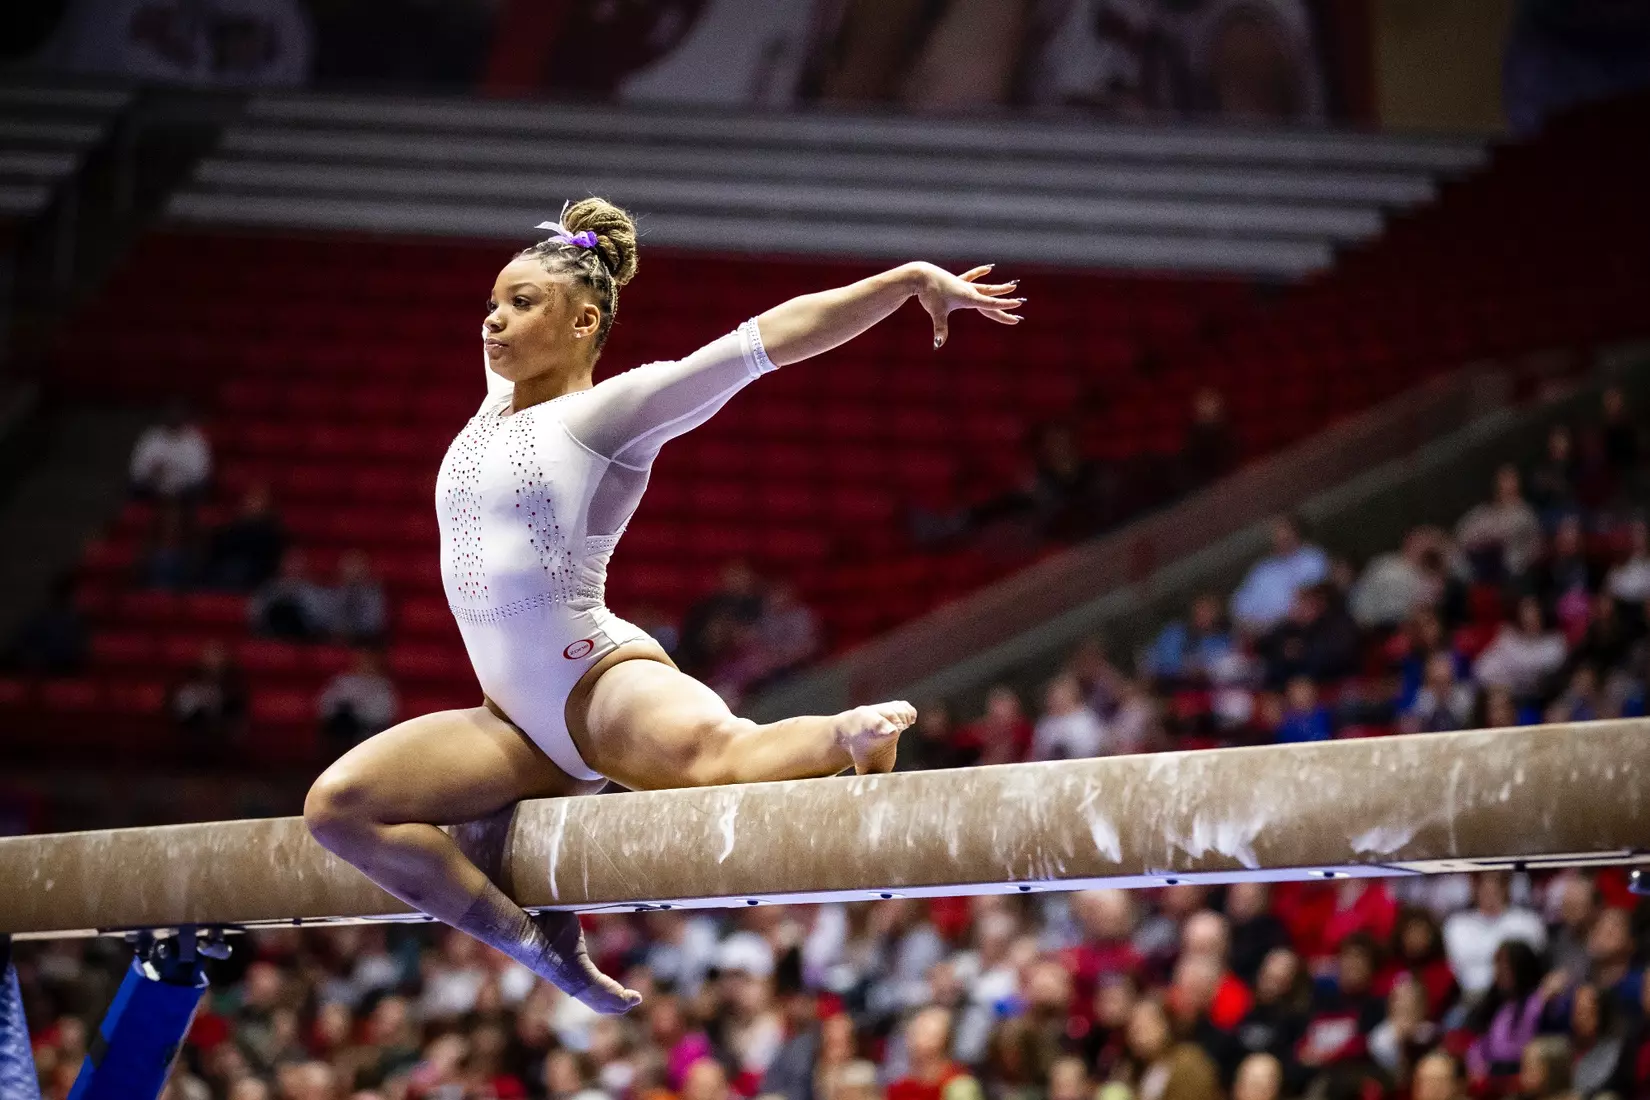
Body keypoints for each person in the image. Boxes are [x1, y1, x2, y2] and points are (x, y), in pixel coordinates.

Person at [301, 198, 1023, 1014]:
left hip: (593, 683)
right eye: (492, 304)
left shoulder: (612, 413)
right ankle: (536, 944)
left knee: (721, 762)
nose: (493, 322)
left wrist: (903, 282)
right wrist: (566, 243)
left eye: (522, 304)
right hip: (507, 723)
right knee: (339, 808)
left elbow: (764, 343)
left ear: (582, 324)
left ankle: (844, 733)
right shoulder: (492, 403)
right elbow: (555, 277)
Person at [1444, 873, 1548, 1000]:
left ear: (1505, 889)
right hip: (1472, 995)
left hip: (1518, 995)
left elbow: (1537, 964)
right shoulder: (1457, 925)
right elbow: (1455, 967)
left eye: (1495, 888)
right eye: (1485, 889)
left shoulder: (1528, 922)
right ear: (1475, 890)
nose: (1490, 894)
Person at [1230, 516, 1330, 633]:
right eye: (1276, 534)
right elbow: (1239, 607)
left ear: (1296, 533)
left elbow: (1316, 597)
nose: (1280, 539)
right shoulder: (1262, 570)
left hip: (1311, 627)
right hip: (1269, 633)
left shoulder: (1313, 557)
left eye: (1285, 533)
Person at [1456, 465, 1542, 582]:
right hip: (1478, 568)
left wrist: (1485, 535)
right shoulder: (1485, 510)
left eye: (1510, 479)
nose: (1507, 484)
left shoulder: (1524, 513)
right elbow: (1462, 533)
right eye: (1503, 480)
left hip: (1513, 572)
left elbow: (1505, 534)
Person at [129, 400, 212, 505]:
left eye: (178, 413)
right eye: (171, 414)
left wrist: (174, 473)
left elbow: (201, 472)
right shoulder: (151, 437)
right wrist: (152, 471)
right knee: (135, 487)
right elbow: (137, 470)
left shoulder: (194, 439)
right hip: (153, 488)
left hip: (185, 491)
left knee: (200, 490)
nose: (174, 417)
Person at [206, 485, 287, 590]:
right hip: (226, 571)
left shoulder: (273, 532)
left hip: (258, 576)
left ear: (267, 504)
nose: (252, 504)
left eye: (257, 500)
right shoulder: (232, 528)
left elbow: (270, 559)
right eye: (250, 499)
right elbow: (218, 550)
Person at [317, 649, 400, 752]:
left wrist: (359, 712)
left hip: (368, 729)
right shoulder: (343, 681)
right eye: (362, 661)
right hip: (340, 726)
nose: (365, 665)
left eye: (369, 661)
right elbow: (325, 705)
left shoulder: (382, 686)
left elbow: (387, 713)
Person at [249, 549, 331, 641]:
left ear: (305, 565)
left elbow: (320, 622)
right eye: (290, 562)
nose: (294, 567)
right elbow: (255, 616)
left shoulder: (313, 593)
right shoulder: (269, 589)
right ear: (282, 564)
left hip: (304, 642)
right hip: (272, 640)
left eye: (297, 563)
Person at [1029, 674, 1108, 761]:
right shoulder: (1045, 723)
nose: (1058, 699)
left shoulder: (1085, 718)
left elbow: (1095, 746)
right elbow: (1039, 752)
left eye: (1061, 695)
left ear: (1071, 694)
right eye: (1055, 696)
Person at [325, 549, 388, 645]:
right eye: (349, 566)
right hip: (333, 640)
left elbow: (372, 624)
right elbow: (326, 620)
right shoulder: (333, 592)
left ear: (366, 569)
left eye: (356, 566)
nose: (353, 571)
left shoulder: (374, 595)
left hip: (363, 643)